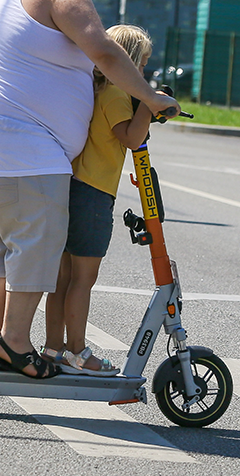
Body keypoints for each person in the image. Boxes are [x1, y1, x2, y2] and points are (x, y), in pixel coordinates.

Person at [0, 0, 179, 379]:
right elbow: (104, 50)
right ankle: (14, 343)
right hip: (23, 143)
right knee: (40, 243)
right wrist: (151, 96)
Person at [42, 25, 156, 376]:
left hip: (71, 186)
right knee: (83, 279)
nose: (145, 71)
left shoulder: (93, 88)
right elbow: (132, 138)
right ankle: (78, 352)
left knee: (62, 277)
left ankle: (53, 349)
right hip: (93, 193)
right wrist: (150, 105)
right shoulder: (117, 95)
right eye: (144, 63)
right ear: (130, 60)